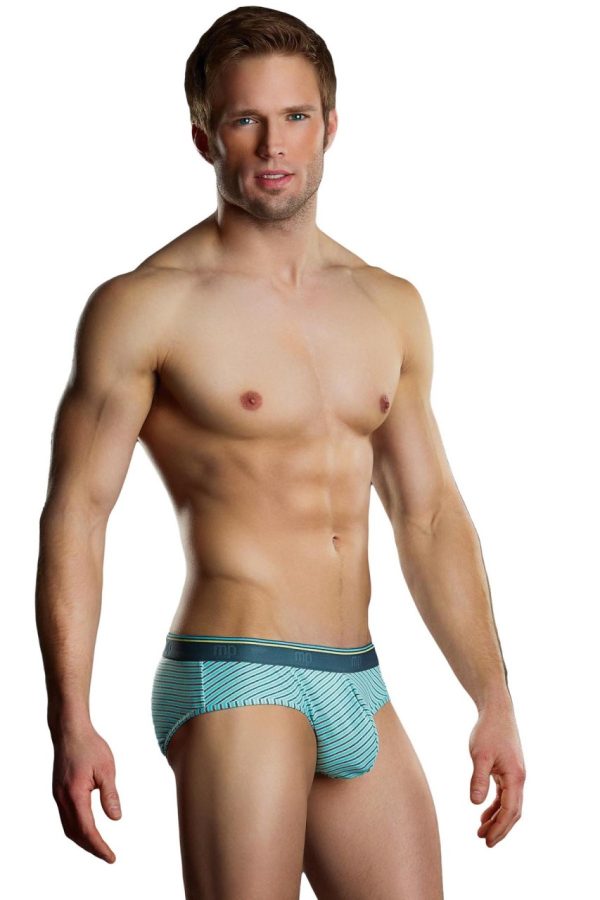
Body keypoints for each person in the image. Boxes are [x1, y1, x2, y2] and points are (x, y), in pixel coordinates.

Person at [35, 6, 526, 898]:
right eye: (245, 120)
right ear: (203, 136)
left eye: (296, 116)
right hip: (236, 669)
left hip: (358, 677)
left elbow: (428, 514)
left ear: (330, 124)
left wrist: (492, 696)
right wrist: (71, 717)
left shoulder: (388, 304)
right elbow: (79, 514)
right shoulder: (146, 306)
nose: (273, 145)